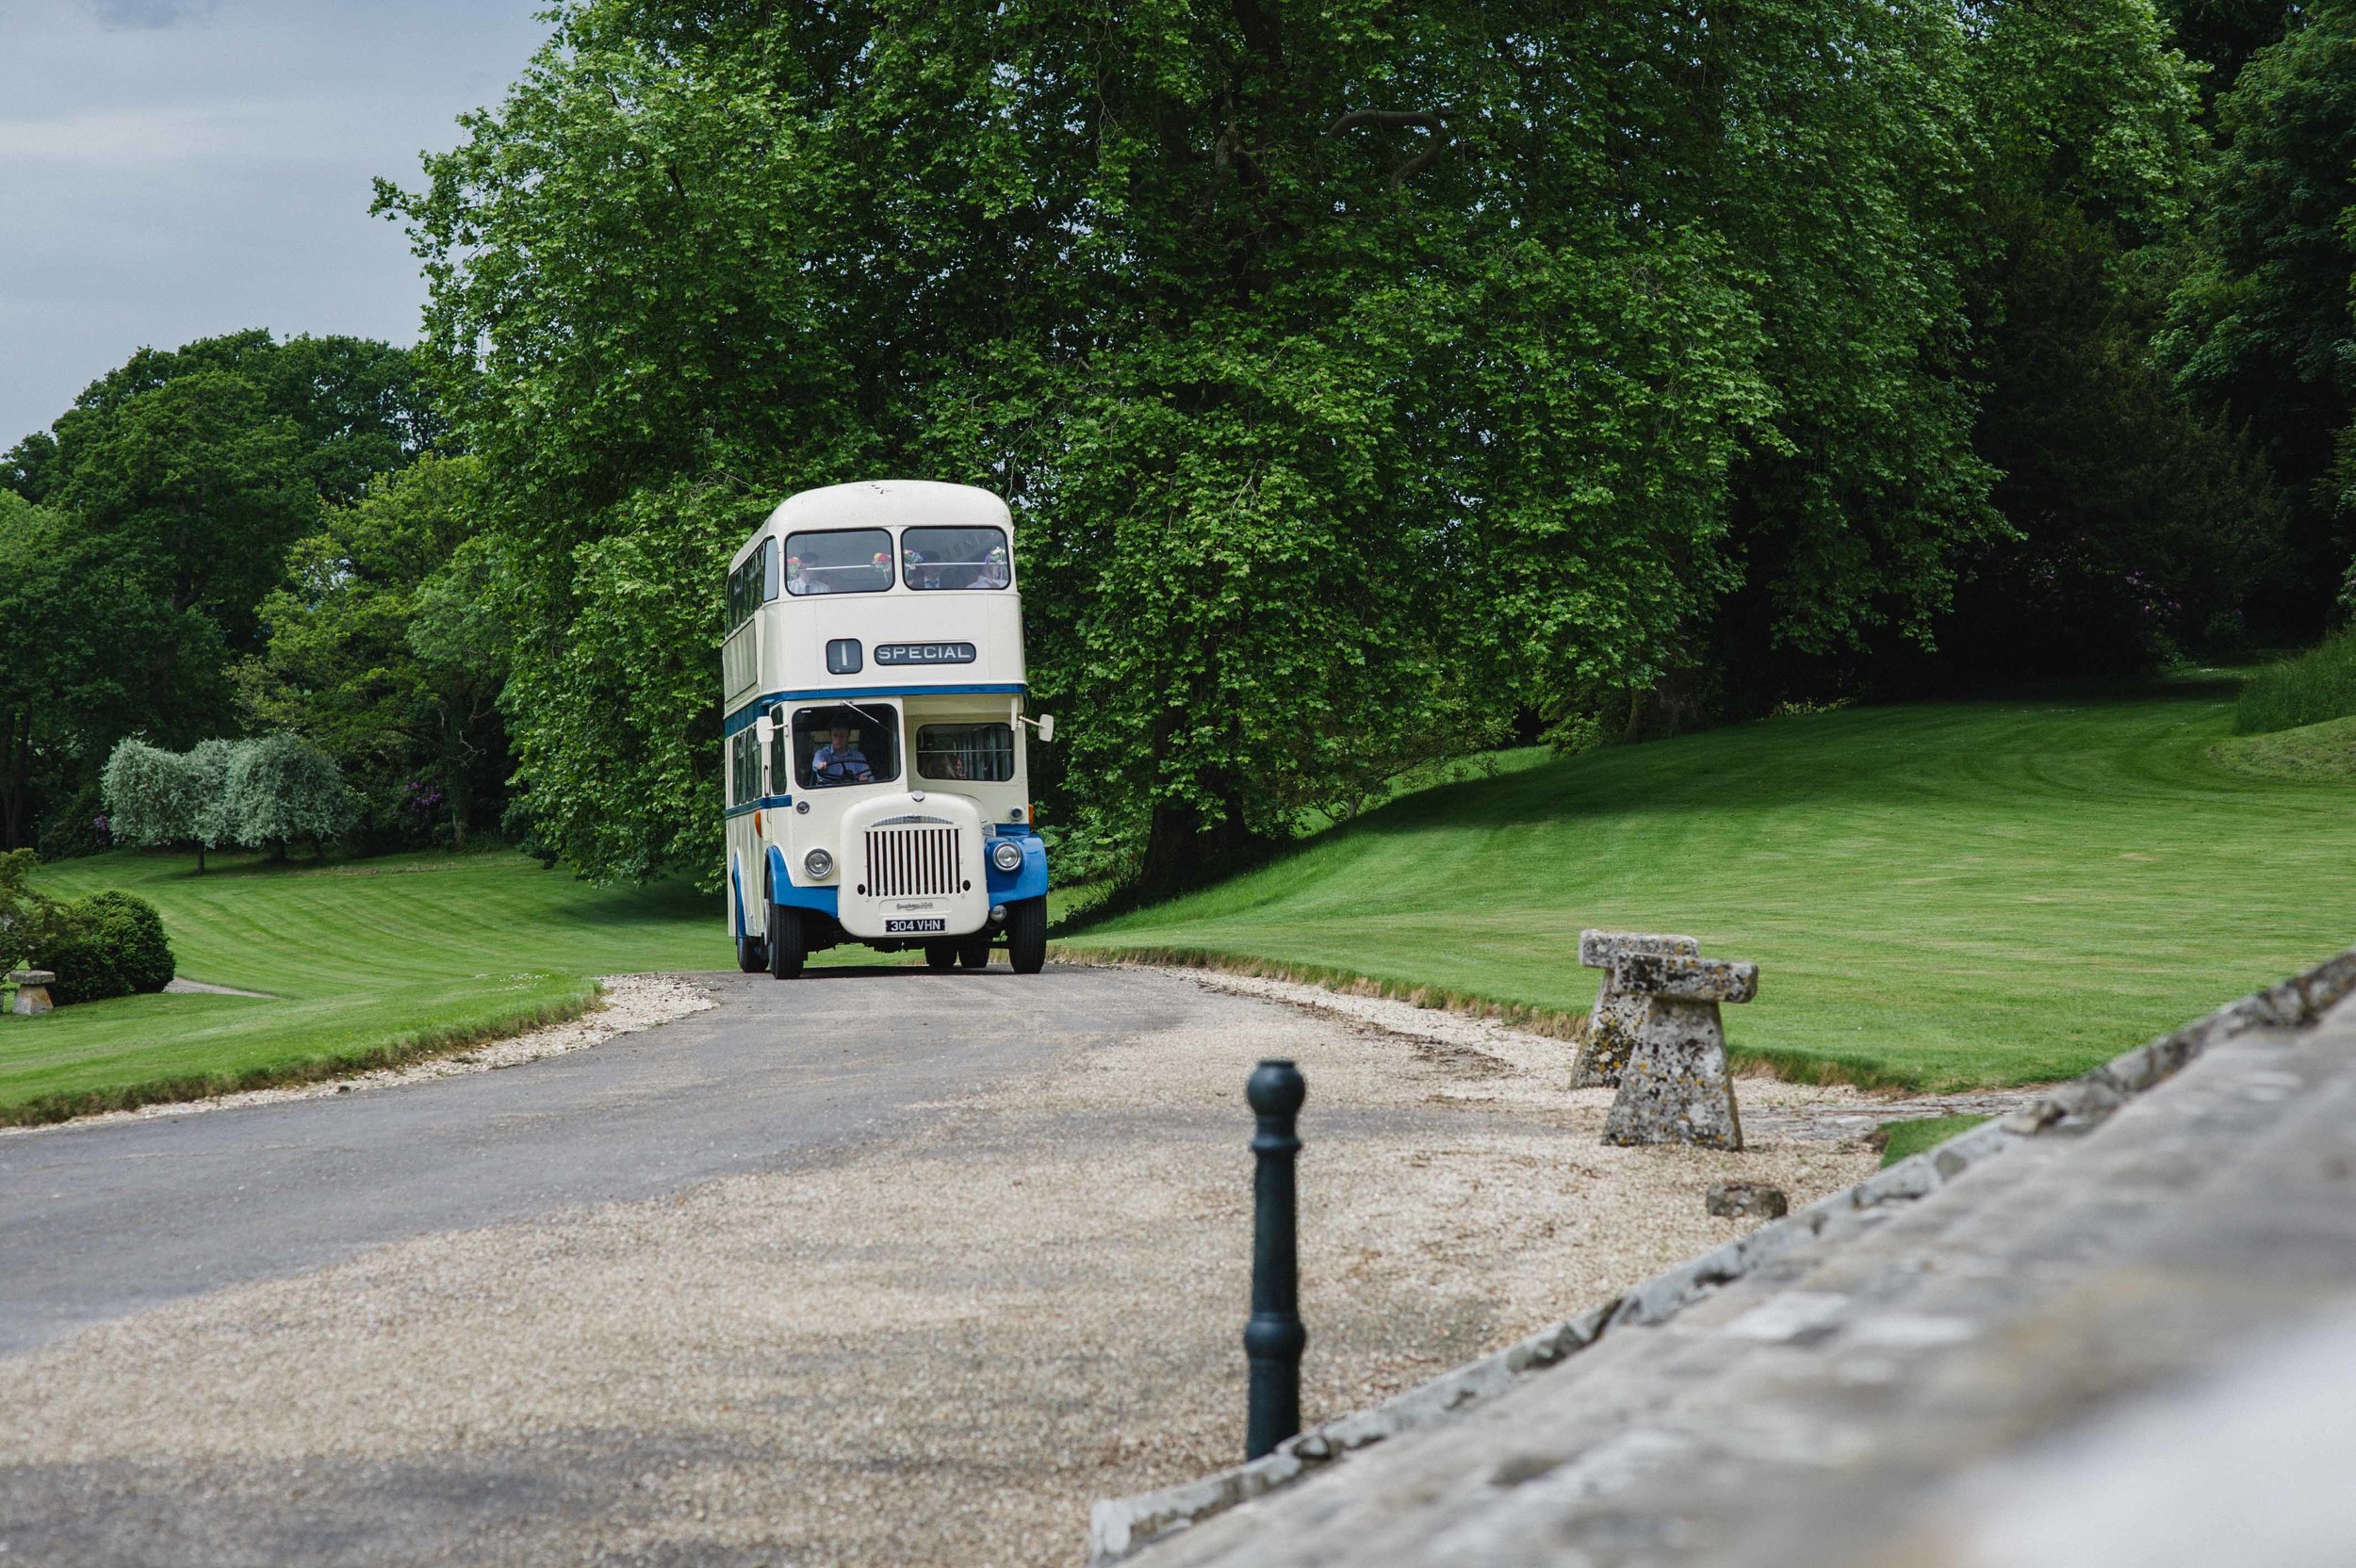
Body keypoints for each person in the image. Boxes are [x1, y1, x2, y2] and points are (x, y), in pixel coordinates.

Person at [810, 723, 874, 785]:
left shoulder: (858, 756)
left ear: (848, 736)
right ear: (831, 736)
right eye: (835, 735)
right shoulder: (822, 754)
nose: (838, 739)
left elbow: (870, 777)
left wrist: (865, 779)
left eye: (842, 736)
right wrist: (820, 764)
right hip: (827, 792)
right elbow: (816, 763)